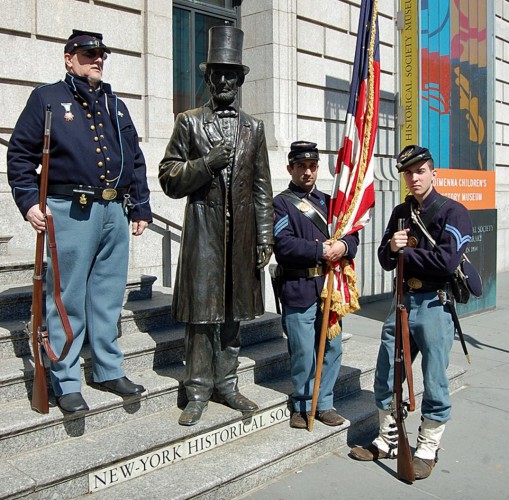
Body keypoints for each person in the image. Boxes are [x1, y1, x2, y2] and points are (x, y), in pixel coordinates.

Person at [7, 29, 152, 414]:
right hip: (70, 210)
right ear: (69, 58)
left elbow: (134, 158)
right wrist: (27, 201)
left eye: (101, 54)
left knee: (107, 297)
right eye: (88, 54)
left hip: (114, 212)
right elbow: (20, 155)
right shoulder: (47, 98)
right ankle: (67, 378)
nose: (97, 60)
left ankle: (107, 368)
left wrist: (140, 205)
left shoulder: (115, 104)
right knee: (66, 297)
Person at [158, 26, 274, 426]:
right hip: (204, 234)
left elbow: (262, 187)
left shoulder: (254, 128)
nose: (225, 81)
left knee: (232, 315)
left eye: (232, 75)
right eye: (218, 74)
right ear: (208, 79)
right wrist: (206, 165)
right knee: (201, 317)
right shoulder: (189, 122)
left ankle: (227, 384)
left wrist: (264, 237)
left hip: (241, 238)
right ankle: (197, 389)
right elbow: (169, 177)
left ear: (241, 81)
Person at [349, 145, 473, 479]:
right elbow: (384, 257)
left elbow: (446, 263)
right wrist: (391, 247)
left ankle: (428, 446)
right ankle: (388, 438)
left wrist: (405, 253)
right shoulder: (402, 212)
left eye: (420, 171)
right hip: (403, 301)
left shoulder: (453, 212)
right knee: (386, 371)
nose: (414, 178)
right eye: (408, 173)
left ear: (434, 174)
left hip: (435, 303)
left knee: (434, 379)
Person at [272, 141, 359, 429]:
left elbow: (353, 234)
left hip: (329, 285)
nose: (307, 172)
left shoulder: (332, 203)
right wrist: (321, 250)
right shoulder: (280, 203)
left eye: (312, 166)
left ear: (317, 168)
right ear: (290, 168)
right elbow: (283, 245)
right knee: (302, 349)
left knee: (332, 347)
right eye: (301, 166)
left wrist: (344, 245)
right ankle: (302, 403)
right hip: (298, 286)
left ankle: (324, 403)